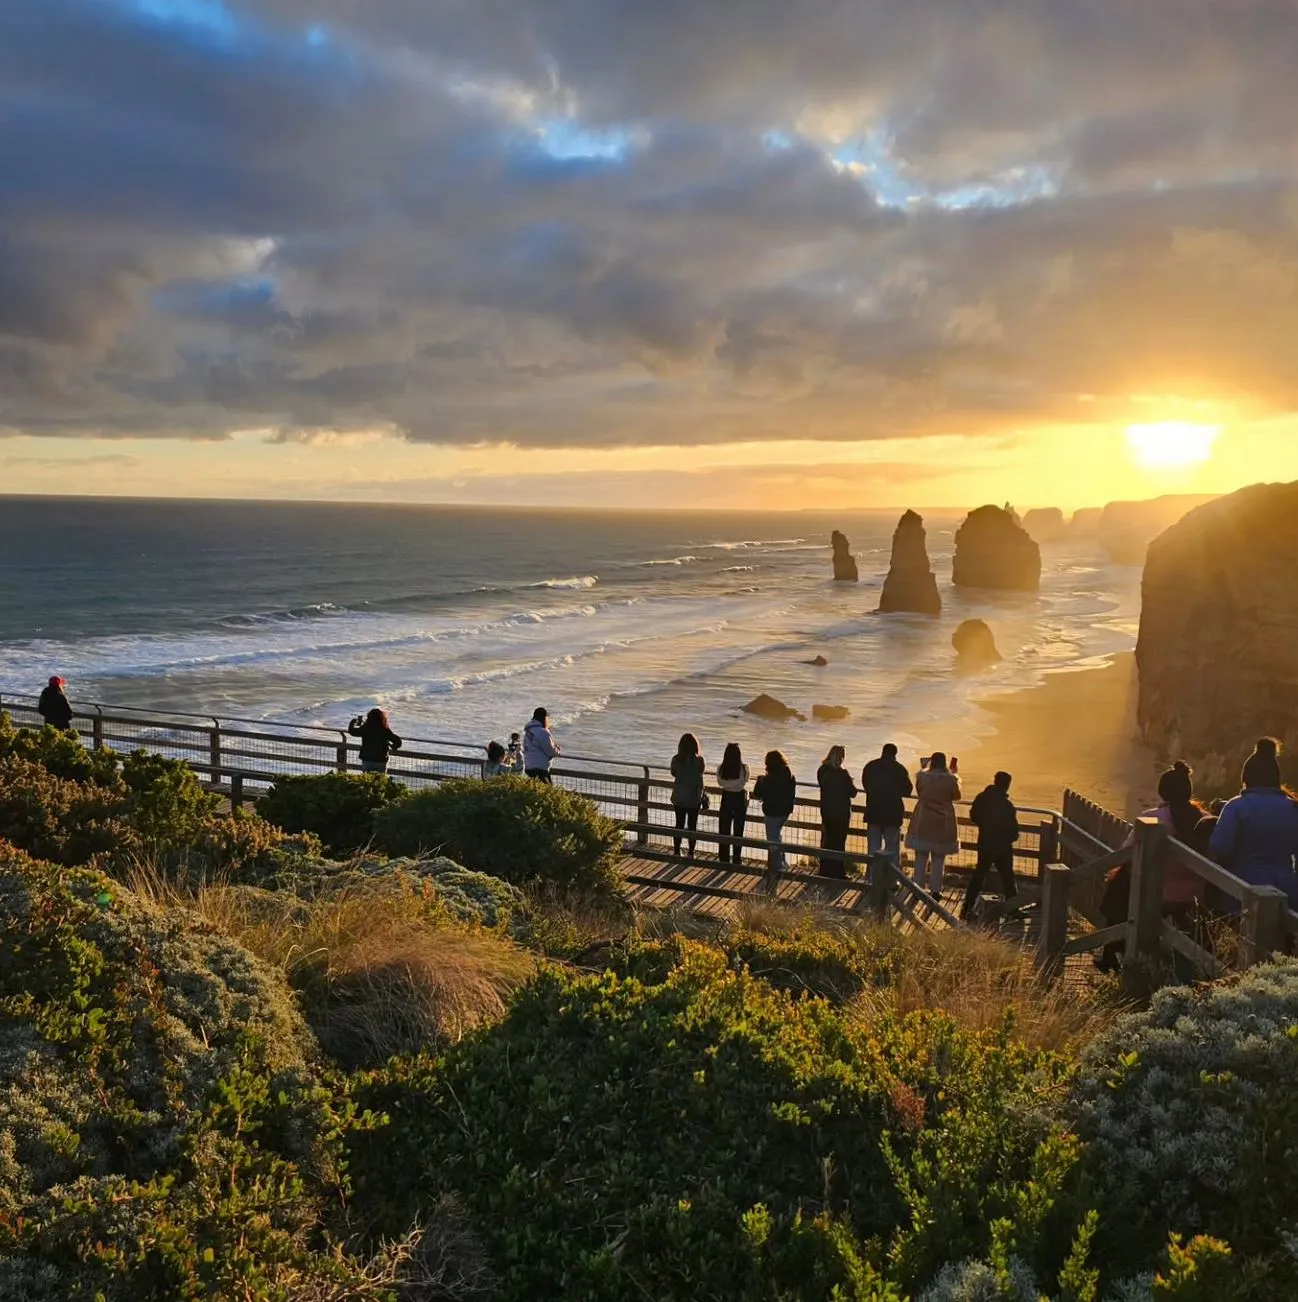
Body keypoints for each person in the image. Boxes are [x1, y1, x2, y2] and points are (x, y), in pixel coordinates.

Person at [1097, 761, 1210, 972]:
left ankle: (1112, 953)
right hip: (1197, 893)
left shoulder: (1153, 818)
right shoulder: (1204, 819)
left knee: (1118, 888)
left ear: (1162, 791)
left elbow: (1126, 852)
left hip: (1158, 893)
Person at [1210, 739, 1298, 907]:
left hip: (1242, 890)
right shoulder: (1293, 808)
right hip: (1287, 892)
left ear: (1246, 777)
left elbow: (1220, 847)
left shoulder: (1236, 807)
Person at [962, 771, 1020, 920]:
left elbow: (974, 815)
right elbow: (1013, 829)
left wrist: (984, 825)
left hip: (985, 842)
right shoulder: (1007, 805)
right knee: (1007, 877)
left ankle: (967, 907)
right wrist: (1011, 837)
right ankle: (1012, 909)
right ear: (1007, 785)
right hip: (1003, 846)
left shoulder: (982, 798)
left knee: (979, 875)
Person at [906, 752, 961, 900]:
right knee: (938, 858)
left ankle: (917, 887)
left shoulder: (922, 778)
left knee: (921, 856)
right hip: (942, 820)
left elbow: (920, 792)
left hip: (923, 818)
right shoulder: (950, 779)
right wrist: (954, 774)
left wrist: (923, 768)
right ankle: (936, 890)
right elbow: (956, 796)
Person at [861, 743, 913, 869]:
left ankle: (872, 878)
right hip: (892, 814)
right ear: (895, 754)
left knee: (873, 848)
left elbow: (866, 785)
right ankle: (891, 880)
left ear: (883, 751)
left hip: (874, 811)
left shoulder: (870, 766)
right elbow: (908, 790)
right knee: (892, 849)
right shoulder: (899, 769)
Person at [753, 750, 796, 876]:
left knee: (772, 839)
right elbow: (792, 793)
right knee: (777, 836)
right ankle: (782, 862)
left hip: (772, 812)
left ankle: (776, 866)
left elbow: (758, 794)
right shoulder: (788, 775)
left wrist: (759, 781)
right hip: (785, 812)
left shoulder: (767, 779)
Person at [817, 745, 857, 878]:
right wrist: (850, 781)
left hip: (827, 812)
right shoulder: (842, 774)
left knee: (827, 840)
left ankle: (824, 870)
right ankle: (838, 872)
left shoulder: (822, 771)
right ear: (840, 757)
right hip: (841, 814)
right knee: (839, 843)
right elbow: (853, 792)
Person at [669, 733, 706, 858]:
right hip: (694, 797)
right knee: (692, 825)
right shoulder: (700, 760)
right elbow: (700, 774)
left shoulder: (676, 759)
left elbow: (674, 773)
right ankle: (691, 852)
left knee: (679, 824)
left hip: (680, 796)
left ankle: (676, 851)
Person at [716, 742, 749, 865]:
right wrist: (736, 784)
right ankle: (736, 858)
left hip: (726, 797)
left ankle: (723, 858)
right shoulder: (744, 768)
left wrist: (729, 784)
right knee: (738, 830)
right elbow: (743, 782)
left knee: (724, 828)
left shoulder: (721, 768)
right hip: (739, 798)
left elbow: (721, 783)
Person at [348, 708, 402, 773]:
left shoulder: (366, 728)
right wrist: (393, 746)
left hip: (367, 760)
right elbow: (398, 741)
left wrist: (354, 721)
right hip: (381, 760)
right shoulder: (384, 730)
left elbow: (352, 731)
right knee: (380, 781)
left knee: (367, 781)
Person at [523, 707, 558, 782]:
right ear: (544, 718)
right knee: (547, 792)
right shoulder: (542, 732)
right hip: (540, 770)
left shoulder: (528, 731)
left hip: (529, 767)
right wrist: (557, 750)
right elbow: (551, 751)